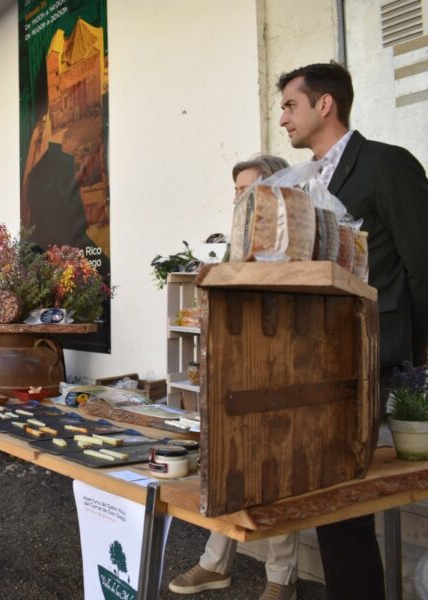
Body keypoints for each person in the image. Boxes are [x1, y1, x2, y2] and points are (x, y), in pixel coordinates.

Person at [277, 61, 428, 600]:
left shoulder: (387, 165)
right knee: (331, 496)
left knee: (342, 498)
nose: (282, 119)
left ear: (325, 105)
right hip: (316, 357)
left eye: (290, 105)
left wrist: (418, 363)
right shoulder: (297, 181)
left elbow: (422, 263)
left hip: (378, 354)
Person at [169, 155, 299, 600]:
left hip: (282, 369)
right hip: (236, 370)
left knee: (275, 473)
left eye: (247, 188)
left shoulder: (294, 236)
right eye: (236, 190)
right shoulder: (239, 241)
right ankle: (215, 564)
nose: (238, 197)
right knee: (226, 467)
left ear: (273, 190)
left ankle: (282, 579)